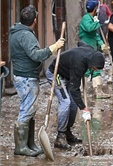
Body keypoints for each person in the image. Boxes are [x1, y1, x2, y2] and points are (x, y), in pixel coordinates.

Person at [9, 5, 65, 156]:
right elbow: (36, 55)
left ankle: (29, 144)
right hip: (26, 77)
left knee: (29, 110)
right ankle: (21, 147)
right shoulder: (25, 35)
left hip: (23, 75)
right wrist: (53, 47)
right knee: (26, 110)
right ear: (34, 20)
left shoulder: (17, 31)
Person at [45, 41, 105, 150]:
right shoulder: (79, 65)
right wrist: (84, 108)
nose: (94, 70)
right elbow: (74, 89)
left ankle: (67, 131)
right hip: (56, 73)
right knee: (66, 102)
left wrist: (79, 105)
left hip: (68, 75)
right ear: (92, 63)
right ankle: (60, 136)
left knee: (73, 104)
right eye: (95, 68)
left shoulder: (90, 50)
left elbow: (80, 43)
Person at [79, 0, 110, 99]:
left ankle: (99, 92)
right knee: (86, 70)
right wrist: (97, 22)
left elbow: (95, 35)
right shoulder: (86, 18)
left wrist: (101, 44)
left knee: (96, 69)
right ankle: (79, 91)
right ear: (95, 8)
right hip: (85, 49)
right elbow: (89, 28)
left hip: (93, 49)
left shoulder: (92, 18)